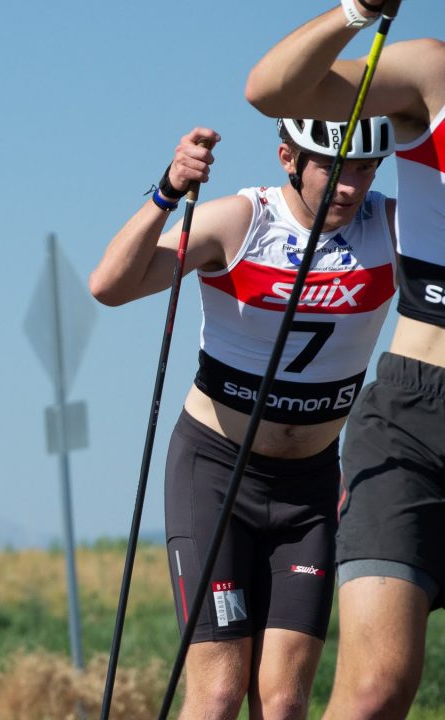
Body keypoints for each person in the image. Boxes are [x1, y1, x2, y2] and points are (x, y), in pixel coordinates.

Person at [89, 117, 397, 720]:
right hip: (216, 472)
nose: (350, 187)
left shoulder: (389, 228)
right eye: (333, 168)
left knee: (283, 703)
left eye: (365, 169)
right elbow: (109, 286)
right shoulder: (241, 220)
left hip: (309, 488)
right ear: (288, 157)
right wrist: (168, 190)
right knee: (219, 694)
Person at [245, 3, 445, 717]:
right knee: (372, 691)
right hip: (414, 417)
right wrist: (356, 11)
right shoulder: (431, 70)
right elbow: (273, 92)